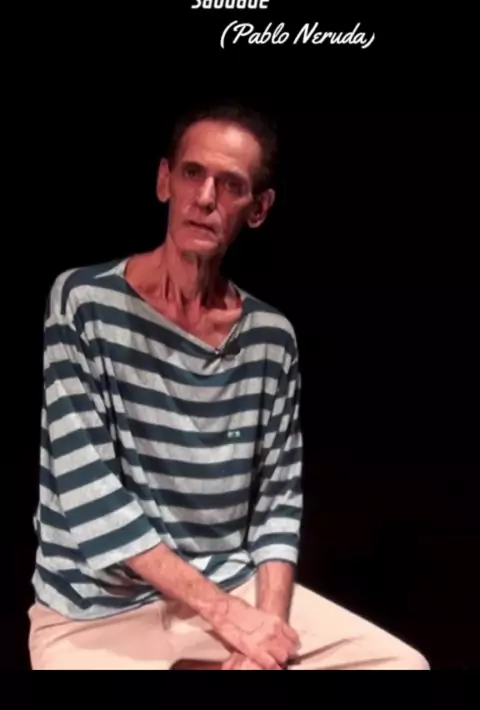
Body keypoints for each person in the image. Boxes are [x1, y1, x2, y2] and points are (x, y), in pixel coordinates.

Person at [28, 103, 430, 670]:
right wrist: (227, 616)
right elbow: (89, 493)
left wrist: (267, 632)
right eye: (193, 173)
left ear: (258, 208)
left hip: (228, 590)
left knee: (401, 667)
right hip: (94, 615)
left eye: (231, 184)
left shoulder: (270, 338)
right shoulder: (82, 301)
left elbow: (277, 503)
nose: (206, 197)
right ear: (165, 181)